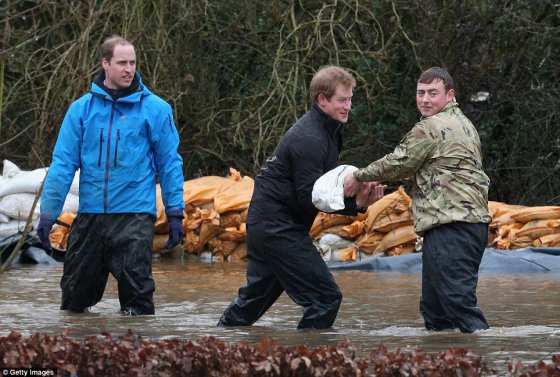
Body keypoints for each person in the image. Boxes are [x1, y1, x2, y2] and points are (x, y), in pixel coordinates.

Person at [218, 65, 384, 329]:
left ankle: (217, 344)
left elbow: (323, 187)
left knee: (251, 303)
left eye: (350, 99)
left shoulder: (328, 132)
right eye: (342, 100)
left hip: (267, 224)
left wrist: (358, 199)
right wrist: (355, 204)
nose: (348, 106)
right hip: (276, 227)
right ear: (322, 99)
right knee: (326, 298)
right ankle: (307, 361)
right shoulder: (310, 138)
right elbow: (311, 197)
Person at [37, 35, 185, 315]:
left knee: (138, 302)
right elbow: (62, 164)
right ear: (105, 63)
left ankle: (138, 353)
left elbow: (169, 164)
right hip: (91, 216)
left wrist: (176, 212)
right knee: (73, 300)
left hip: (134, 216)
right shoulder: (81, 111)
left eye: (132, 63)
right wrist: (48, 213)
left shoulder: (156, 110)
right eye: (122, 63)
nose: (129, 69)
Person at [344, 67, 492, 333]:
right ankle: (444, 361)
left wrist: (358, 176)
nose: (425, 99)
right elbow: (432, 172)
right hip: (460, 226)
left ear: (449, 95)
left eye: (432, 93)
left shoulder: (431, 127)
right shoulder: (464, 123)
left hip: (453, 227)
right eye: (420, 93)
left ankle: (488, 361)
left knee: (458, 304)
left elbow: (399, 162)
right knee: (434, 308)